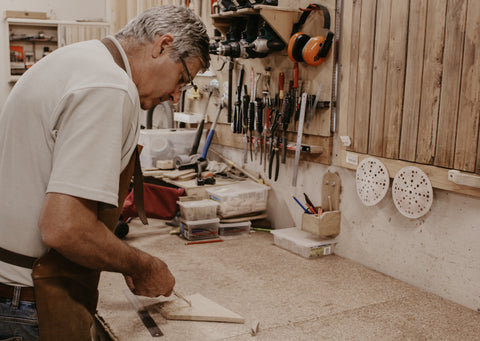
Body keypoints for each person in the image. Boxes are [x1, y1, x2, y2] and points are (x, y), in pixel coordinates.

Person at [0, 5, 210, 340]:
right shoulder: (109, 86)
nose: (175, 95)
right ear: (162, 46)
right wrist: (143, 265)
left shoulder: (79, 60)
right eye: (182, 79)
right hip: (27, 302)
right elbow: (65, 227)